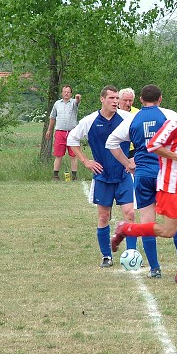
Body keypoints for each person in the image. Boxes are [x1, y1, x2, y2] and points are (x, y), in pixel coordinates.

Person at [110, 88, 177, 284]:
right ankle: (127, 228)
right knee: (168, 230)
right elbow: (154, 144)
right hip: (170, 184)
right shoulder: (174, 121)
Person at [67, 85, 138, 268]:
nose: (115, 101)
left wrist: (134, 160)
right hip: (102, 177)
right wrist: (85, 161)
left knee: (130, 214)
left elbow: (143, 138)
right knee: (103, 217)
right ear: (102, 99)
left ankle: (131, 254)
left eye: (117, 98)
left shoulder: (127, 119)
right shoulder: (90, 120)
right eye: (112, 98)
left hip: (123, 175)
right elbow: (72, 139)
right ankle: (107, 256)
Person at [46, 84, 81, 181]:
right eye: (64, 92)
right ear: (62, 93)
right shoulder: (57, 104)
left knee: (73, 155)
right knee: (58, 155)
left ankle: (74, 176)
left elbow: (78, 101)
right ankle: (55, 175)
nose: (66, 93)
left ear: (71, 94)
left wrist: (78, 97)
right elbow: (52, 117)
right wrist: (49, 130)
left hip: (72, 132)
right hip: (60, 132)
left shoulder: (73, 103)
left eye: (68, 92)